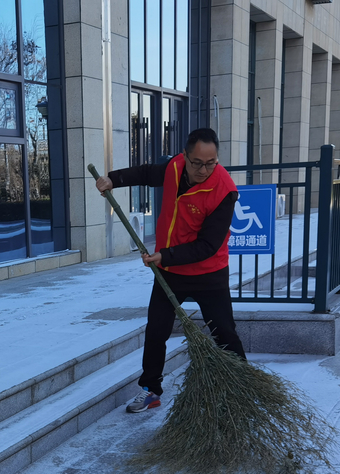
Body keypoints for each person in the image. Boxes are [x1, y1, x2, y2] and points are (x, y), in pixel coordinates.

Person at [96, 128, 245, 413]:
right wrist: (113, 179)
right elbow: (145, 173)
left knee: (224, 333)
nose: (204, 170)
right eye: (197, 162)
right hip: (170, 270)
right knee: (156, 331)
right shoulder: (174, 167)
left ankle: (243, 386)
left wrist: (165, 255)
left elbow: (208, 246)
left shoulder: (225, 190)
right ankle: (150, 390)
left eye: (211, 162)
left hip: (208, 273)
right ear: (186, 156)